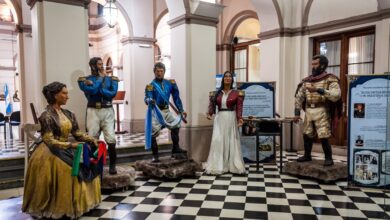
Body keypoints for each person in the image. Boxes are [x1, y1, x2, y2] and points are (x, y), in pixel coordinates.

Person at [22, 82, 102, 219]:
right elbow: (49, 140)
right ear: (54, 95)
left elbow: (77, 132)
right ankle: (62, 207)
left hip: (65, 146)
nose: (67, 96)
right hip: (49, 150)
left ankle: (83, 203)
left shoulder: (69, 113)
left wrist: (92, 139)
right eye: (64, 93)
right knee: (67, 170)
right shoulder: (46, 116)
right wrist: (71, 146)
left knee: (87, 165)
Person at [294, 55, 342, 166]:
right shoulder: (306, 81)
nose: (313, 66)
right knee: (307, 134)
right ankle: (307, 155)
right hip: (309, 111)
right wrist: (296, 114)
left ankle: (328, 158)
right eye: (312, 64)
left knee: (324, 135)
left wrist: (318, 89)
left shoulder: (330, 79)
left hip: (322, 110)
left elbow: (336, 95)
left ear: (323, 65)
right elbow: (298, 98)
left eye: (315, 64)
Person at [78, 57, 119, 174]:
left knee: (111, 138)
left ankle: (112, 165)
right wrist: (100, 81)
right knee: (92, 137)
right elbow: (91, 92)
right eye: (99, 64)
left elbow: (112, 93)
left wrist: (97, 87)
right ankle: (95, 164)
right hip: (92, 111)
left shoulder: (112, 79)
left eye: (102, 64)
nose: (102, 66)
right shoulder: (84, 80)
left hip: (107, 110)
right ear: (92, 66)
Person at [144, 62, 188, 162]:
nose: (159, 73)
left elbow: (176, 97)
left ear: (164, 72)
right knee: (153, 133)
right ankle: (155, 155)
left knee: (176, 126)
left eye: (161, 71)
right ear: (154, 72)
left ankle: (175, 149)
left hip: (166, 110)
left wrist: (181, 110)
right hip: (156, 111)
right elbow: (147, 97)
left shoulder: (170, 83)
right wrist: (149, 100)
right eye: (157, 71)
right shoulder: (150, 86)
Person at [205, 71, 246, 175]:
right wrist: (210, 114)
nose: (228, 78)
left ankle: (232, 165)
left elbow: (239, 107)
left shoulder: (237, 93)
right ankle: (218, 165)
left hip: (231, 117)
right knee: (218, 140)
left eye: (230, 77)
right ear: (223, 79)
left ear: (232, 79)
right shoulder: (217, 93)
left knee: (230, 140)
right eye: (226, 76)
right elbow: (212, 105)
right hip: (220, 118)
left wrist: (240, 118)